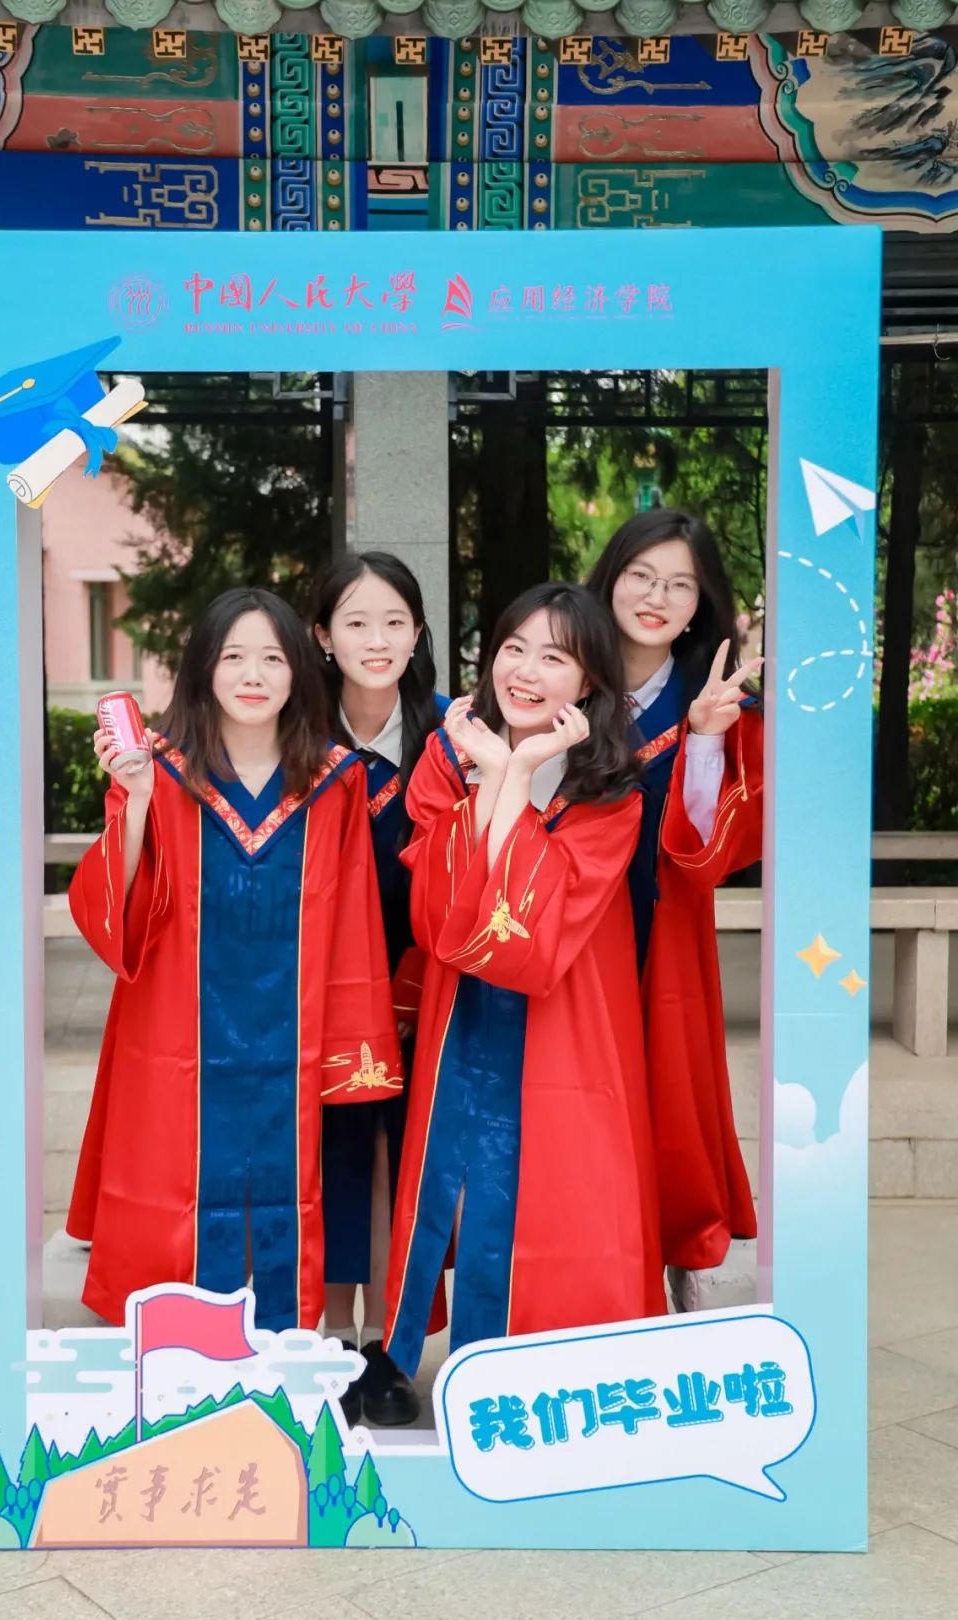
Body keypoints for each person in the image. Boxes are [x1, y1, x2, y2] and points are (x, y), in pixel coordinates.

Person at [66, 588, 402, 1330]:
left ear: (298, 672)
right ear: (203, 669)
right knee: (177, 1200)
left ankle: (281, 1353)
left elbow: (355, 925)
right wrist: (136, 800)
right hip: (179, 1039)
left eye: (273, 659)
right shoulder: (158, 770)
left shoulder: (336, 780)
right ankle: (181, 1360)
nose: (254, 675)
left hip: (296, 1041)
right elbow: (117, 916)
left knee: (291, 1200)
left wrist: (354, 1048)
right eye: (234, 657)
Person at [384, 583, 665, 1376]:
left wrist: (520, 771)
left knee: (570, 1188)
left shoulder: (611, 789)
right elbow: (440, 914)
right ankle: (451, 1361)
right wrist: (499, 772)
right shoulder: (449, 757)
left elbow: (534, 935)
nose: (526, 671)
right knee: (456, 1182)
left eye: (554, 657)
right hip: (463, 1011)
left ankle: (559, 1370)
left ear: (590, 682)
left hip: (566, 1015)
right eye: (513, 648)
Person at [586, 510, 763, 1285]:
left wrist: (707, 737)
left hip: (665, 923)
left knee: (666, 1091)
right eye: (642, 576)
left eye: (680, 585)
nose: (656, 597)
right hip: (570, 929)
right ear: (611, 579)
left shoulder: (711, 700)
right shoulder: (566, 675)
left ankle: (668, 1254)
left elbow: (709, 847)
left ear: (700, 605)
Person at [311, 551, 446, 1426]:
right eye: (356, 622)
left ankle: (391, 1353)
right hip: (320, 991)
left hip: (424, 985)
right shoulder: (294, 734)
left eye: (395, 621)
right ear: (322, 636)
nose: (376, 639)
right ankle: (328, 1346)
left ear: (418, 633)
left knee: (403, 1164)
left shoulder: (450, 736)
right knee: (330, 1160)